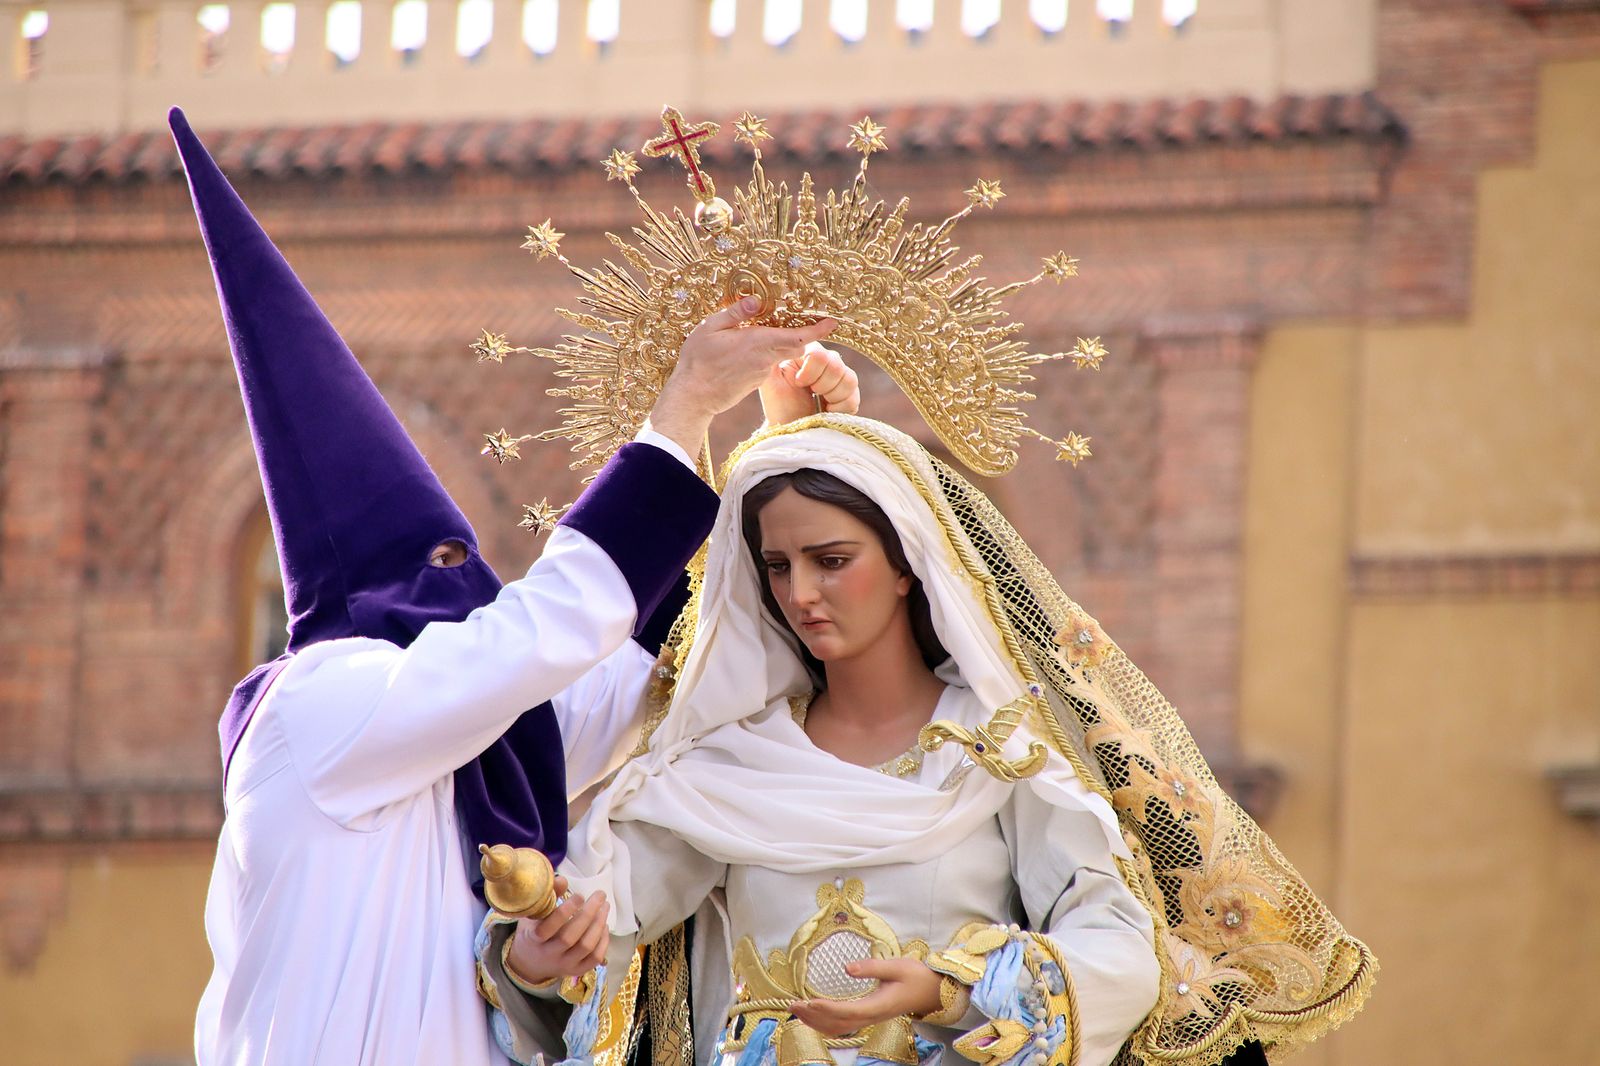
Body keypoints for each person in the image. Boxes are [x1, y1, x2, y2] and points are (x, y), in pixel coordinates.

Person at [168, 106, 859, 1066]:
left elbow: (656, 671)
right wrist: (683, 405)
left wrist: (778, 453)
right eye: (443, 567)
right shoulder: (314, 707)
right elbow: (545, 629)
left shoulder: (467, 744)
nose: (471, 589)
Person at [480, 415, 1373, 1066]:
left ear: (907, 564)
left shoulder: (1001, 751)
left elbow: (1119, 949)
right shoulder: (723, 766)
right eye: (778, 567)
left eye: (833, 561)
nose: (802, 594)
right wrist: (541, 950)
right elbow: (605, 927)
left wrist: (954, 990)